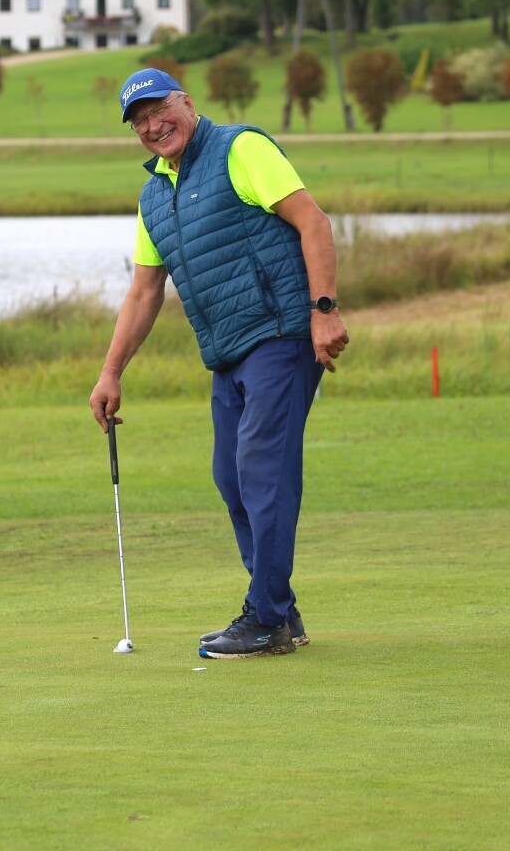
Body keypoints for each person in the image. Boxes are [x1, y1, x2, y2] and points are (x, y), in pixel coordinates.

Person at [88, 68, 349, 659]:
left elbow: (313, 222)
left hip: (280, 334)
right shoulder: (154, 197)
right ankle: (279, 611)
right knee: (232, 478)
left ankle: (266, 617)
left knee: (261, 470)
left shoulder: (240, 148)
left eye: (160, 110)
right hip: (227, 353)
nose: (154, 126)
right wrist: (111, 372)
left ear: (186, 101)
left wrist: (325, 311)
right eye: (140, 121)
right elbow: (144, 293)